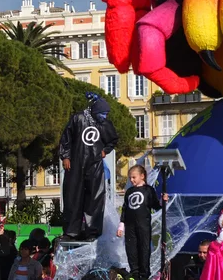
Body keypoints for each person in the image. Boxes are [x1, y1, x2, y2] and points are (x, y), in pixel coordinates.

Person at [60, 93, 119, 241]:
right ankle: (71, 232)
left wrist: (105, 150)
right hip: (75, 164)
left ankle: (92, 232)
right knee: (73, 197)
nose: (104, 117)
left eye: (106, 114)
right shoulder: (78, 118)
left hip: (95, 164)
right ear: (95, 111)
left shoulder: (104, 124)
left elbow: (113, 139)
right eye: (102, 113)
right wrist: (65, 156)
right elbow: (66, 137)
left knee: (95, 197)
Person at [117, 165, 168, 280]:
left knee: (144, 249)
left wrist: (162, 201)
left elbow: (155, 205)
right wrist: (121, 226)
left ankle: (144, 274)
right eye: (130, 178)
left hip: (143, 226)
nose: (132, 180)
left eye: (134, 177)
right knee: (131, 250)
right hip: (130, 227)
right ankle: (134, 273)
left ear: (142, 176)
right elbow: (125, 209)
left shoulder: (148, 190)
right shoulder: (129, 191)